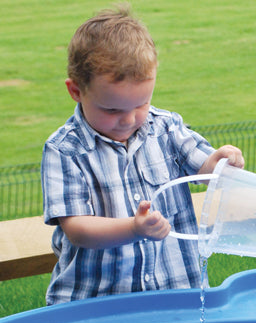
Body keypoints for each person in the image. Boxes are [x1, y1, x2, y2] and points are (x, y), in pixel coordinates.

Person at [41, 4, 244, 305]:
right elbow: (78, 230)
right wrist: (133, 229)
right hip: (96, 304)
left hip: (177, 293)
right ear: (76, 91)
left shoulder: (166, 128)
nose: (129, 119)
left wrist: (222, 160)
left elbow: (205, 166)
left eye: (141, 104)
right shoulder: (65, 150)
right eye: (111, 109)